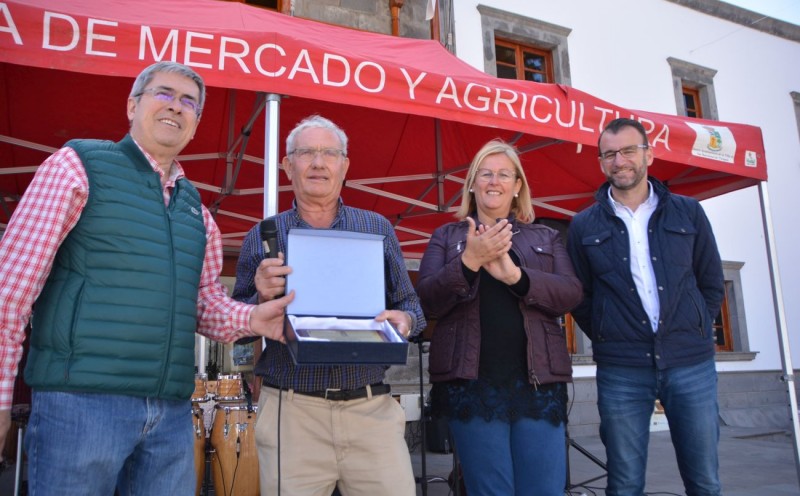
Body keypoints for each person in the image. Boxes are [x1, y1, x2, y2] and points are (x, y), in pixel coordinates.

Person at [0, 61, 294, 495]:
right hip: (81, 406)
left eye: (189, 102)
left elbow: (204, 305)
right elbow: (11, 292)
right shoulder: (76, 167)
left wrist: (255, 319)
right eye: (164, 94)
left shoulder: (198, 212)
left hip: (171, 414)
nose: (176, 106)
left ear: (195, 124)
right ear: (132, 105)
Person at [232, 114, 426, 496]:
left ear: (345, 165)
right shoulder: (264, 235)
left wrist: (403, 319)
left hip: (371, 410)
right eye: (306, 153)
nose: (318, 163)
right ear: (288, 166)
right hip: (292, 412)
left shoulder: (376, 228)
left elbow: (413, 307)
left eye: (329, 153)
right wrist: (258, 298)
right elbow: (236, 330)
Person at [566, 118, 725, 496]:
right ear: (601, 162)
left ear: (648, 154)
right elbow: (580, 296)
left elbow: (712, 281)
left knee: (704, 480)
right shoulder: (583, 226)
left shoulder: (688, 212)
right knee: (623, 484)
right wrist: (610, 332)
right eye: (609, 154)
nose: (619, 161)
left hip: (691, 362)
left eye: (627, 151)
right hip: (622, 368)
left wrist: (694, 325)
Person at [415, 139, 583, 496]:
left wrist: (516, 278)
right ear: (473, 184)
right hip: (474, 387)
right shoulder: (446, 237)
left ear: (517, 186)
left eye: (504, 174)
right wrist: (469, 262)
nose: (494, 181)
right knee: (491, 490)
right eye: (485, 173)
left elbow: (571, 293)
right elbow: (425, 301)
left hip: (536, 386)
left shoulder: (546, 236)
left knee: (544, 490)